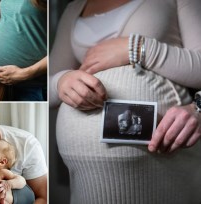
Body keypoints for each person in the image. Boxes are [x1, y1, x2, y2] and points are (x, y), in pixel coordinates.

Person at [50, 0, 201, 203]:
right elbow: (49, 83)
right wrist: (62, 81)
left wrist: (139, 48)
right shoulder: (75, 7)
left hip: (164, 159)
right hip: (84, 171)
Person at [0, 0, 47, 101]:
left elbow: (59, 47)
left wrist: (25, 73)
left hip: (31, 85)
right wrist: (3, 15)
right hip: (2, 81)